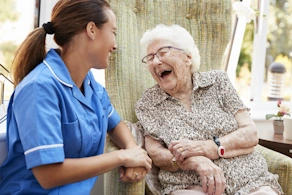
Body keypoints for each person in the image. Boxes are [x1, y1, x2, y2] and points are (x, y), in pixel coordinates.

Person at [0, 0, 152, 194]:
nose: (115, 45)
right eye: (113, 32)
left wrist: (134, 151)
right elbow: (49, 175)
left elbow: (114, 123)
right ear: (91, 30)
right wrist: (123, 157)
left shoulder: (89, 84)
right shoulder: (39, 88)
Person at [135, 24, 283, 195]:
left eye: (162, 53)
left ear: (188, 57)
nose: (155, 61)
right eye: (150, 57)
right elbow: (156, 154)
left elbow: (250, 134)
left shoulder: (218, 82)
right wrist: (196, 161)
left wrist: (208, 148)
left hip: (250, 181)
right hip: (191, 185)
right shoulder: (148, 103)